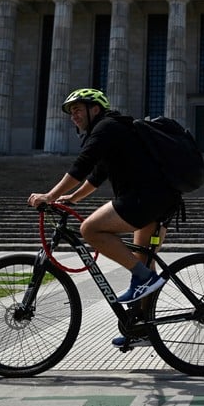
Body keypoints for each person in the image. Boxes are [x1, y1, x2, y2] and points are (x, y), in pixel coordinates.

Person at [28, 88, 182, 348]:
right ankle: (142, 327)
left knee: (91, 230)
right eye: (71, 112)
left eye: (77, 109)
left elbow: (82, 165)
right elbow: (97, 175)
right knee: (143, 260)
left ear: (94, 109)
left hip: (146, 197)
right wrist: (73, 198)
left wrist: (50, 196)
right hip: (158, 198)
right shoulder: (114, 131)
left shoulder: (107, 127)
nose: (73, 115)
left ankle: (145, 279)